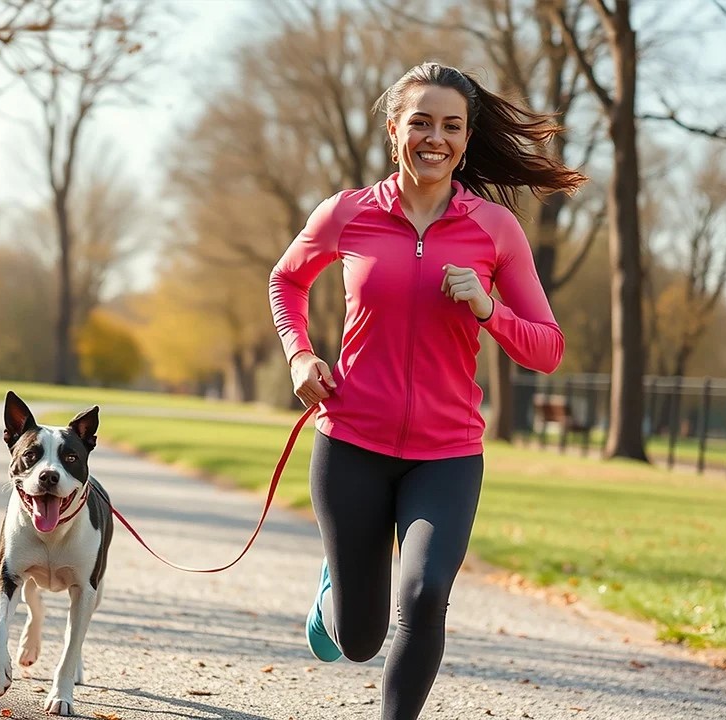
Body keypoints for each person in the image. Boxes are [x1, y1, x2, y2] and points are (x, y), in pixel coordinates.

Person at [268, 62, 586, 720]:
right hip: (351, 442)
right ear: (394, 131)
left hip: (446, 455)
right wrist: (299, 355)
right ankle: (338, 593)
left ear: (467, 140)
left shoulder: (494, 231)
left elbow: (548, 348)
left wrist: (488, 309)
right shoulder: (348, 214)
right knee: (359, 639)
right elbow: (287, 281)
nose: (434, 137)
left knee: (424, 594)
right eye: (420, 122)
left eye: (451, 126)